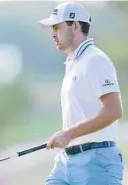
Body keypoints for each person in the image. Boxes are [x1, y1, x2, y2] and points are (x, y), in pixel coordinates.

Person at [39, 2, 124, 185]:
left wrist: (68, 134)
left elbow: (114, 110)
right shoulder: (73, 62)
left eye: (57, 27)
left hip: (96, 162)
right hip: (66, 162)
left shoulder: (95, 60)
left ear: (75, 25)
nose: (53, 34)